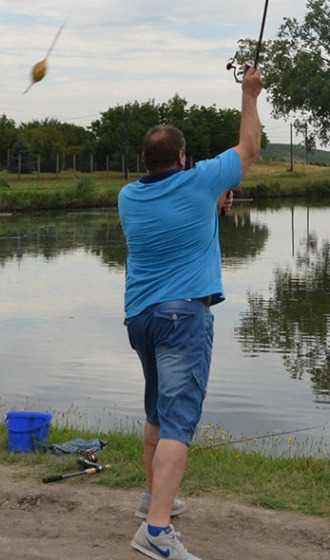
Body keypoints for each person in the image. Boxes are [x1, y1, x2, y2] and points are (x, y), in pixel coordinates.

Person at [119, 65, 263, 560]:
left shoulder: (128, 196)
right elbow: (249, 149)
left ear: (146, 160)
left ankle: (151, 499)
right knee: (180, 420)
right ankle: (157, 532)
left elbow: (175, 216)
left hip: (140, 317)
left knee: (158, 410)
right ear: (182, 157)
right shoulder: (200, 180)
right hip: (184, 317)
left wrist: (210, 205)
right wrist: (249, 93)